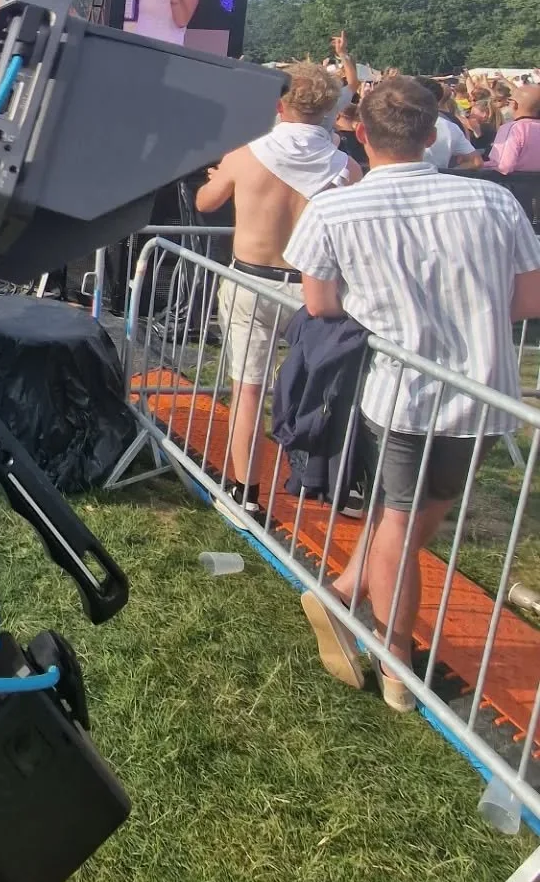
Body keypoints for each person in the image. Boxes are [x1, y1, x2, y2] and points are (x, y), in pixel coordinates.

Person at [283, 76, 540, 710]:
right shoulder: (493, 202)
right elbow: (528, 299)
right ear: (433, 136)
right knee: (414, 514)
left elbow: (319, 303)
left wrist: (386, 306)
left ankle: (355, 604)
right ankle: (390, 649)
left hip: (400, 391)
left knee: (404, 513)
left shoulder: (334, 207)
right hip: (481, 388)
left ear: (360, 132)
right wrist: (466, 312)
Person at [195, 63, 361, 513]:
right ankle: (322, 481)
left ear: (279, 104)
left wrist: (218, 180)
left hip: (252, 280)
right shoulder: (346, 167)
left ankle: (244, 491)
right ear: (328, 108)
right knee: (320, 391)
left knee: (248, 389)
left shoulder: (247, 153)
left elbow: (204, 202)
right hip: (315, 290)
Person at [420, 78, 481, 171]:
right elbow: (476, 162)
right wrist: (445, 173)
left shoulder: (394, 123)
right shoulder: (450, 125)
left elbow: (476, 162)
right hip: (440, 180)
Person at [487, 84, 540, 174]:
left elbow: (502, 167)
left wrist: (477, 165)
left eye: (509, 100)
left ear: (514, 104)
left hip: (516, 185)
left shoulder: (513, 129)